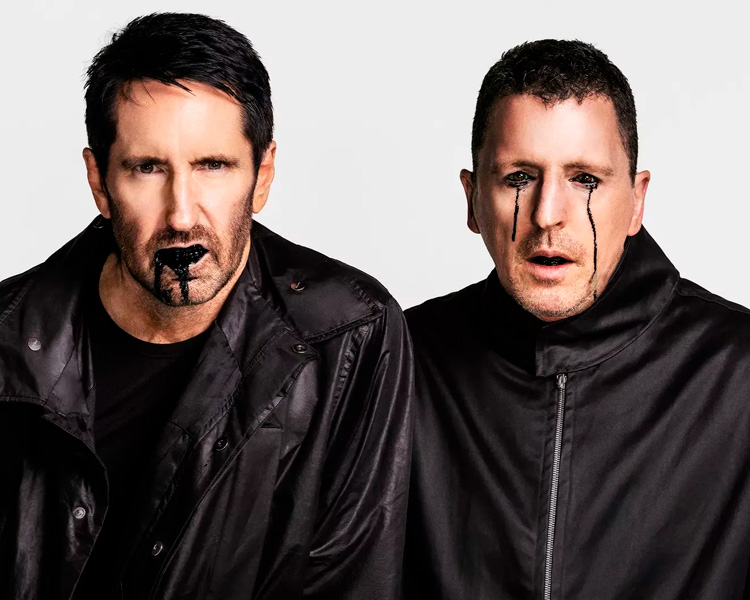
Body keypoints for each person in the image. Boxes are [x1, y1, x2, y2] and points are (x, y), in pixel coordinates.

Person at [0, 13, 412, 600]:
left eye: (213, 166)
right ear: (99, 182)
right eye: (147, 169)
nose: (181, 215)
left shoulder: (348, 334)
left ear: (262, 176)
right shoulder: (9, 339)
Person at [404, 39, 750, 599]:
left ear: (637, 201)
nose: (547, 215)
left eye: (585, 179)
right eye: (518, 178)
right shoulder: (398, 362)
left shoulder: (737, 374)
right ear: (471, 199)